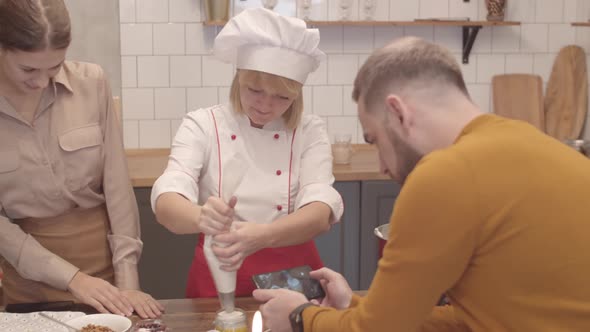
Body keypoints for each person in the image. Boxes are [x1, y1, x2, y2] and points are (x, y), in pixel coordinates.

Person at [253, 36, 590, 331]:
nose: (383, 166)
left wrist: (300, 317)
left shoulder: (445, 175)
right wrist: (355, 307)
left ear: (399, 113)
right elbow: (471, 319)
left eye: (375, 141)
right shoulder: (535, 143)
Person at [151, 8, 343, 298]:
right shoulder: (203, 124)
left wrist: (262, 236)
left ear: (297, 95)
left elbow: (319, 213)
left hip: (292, 278)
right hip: (220, 271)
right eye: (255, 90)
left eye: (282, 97)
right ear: (238, 78)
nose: (266, 105)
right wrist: (200, 216)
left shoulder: (309, 131)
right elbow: (167, 200)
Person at [0, 0, 162, 318]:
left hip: (107, 276)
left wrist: (128, 280)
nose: (42, 82)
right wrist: (73, 279)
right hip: (29, 283)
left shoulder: (92, 83)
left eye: (55, 67)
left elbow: (117, 186)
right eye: (29, 69)